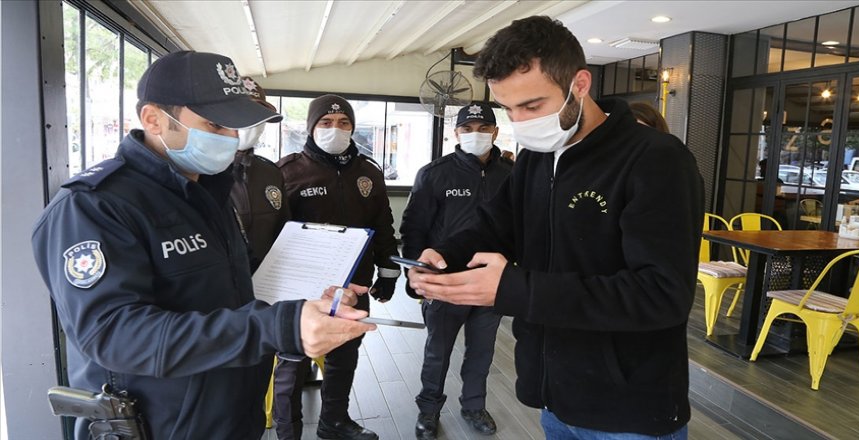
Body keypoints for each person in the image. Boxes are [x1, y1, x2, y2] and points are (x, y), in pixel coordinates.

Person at [31, 51, 375, 440]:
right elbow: (114, 334)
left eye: (235, 126)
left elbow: (241, 281)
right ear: (153, 119)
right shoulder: (94, 206)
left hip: (230, 415)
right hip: (160, 425)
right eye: (215, 124)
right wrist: (276, 326)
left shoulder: (208, 190)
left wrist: (310, 295)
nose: (231, 138)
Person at [407, 16, 703, 440]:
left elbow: (662, 294)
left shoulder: (656, 159)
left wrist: (513, 288)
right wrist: (445, 255)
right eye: (509, 109)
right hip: (554, 395)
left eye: (532, 106)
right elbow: (497, 225)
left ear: (579, 84)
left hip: (629, 407)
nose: (520, 122)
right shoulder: (538, 155)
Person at [275, 94, 401, 440]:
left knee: (345, 356)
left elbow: (383, 225)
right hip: (303, 289)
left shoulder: (368, 172)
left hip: (353, 285)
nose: (336, 129)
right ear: (311, 127)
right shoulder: (288, 171)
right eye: (326, 123)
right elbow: (274, 234)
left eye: (344, 123)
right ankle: (287, 433)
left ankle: (334, 421)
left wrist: (388, 273)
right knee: (293, 364)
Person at [400, 102, 513, 440]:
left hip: (491, 281)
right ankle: (428, 410)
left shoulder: (511, 174)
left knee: (482, 350)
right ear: (456, 133)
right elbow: (414, 228)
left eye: (483, 128)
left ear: (495, 132)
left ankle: (474, 406)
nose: (475, 134)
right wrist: (417, 276)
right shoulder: (435, 173)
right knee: (438, 352)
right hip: (445, 282)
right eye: (467, 129)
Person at [231, 76, 290, 271]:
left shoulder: (270, 172)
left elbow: (283, 231)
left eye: (258, 114)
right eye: (242, 110)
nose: (252, 121)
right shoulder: (199, 173)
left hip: (267, 280)